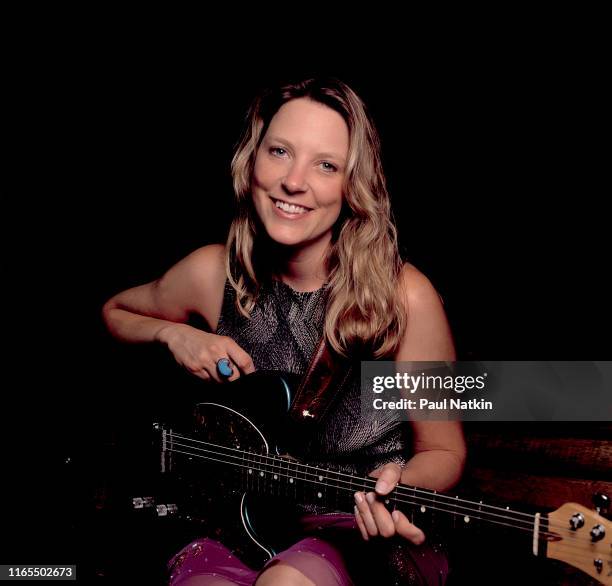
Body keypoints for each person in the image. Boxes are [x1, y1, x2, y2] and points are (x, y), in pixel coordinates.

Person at [102, 77, 466, 586]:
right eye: (279, 151)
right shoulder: (213, 273)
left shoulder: (405, 295)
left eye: (326, 165)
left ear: (352, 183)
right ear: (252, 159)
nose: (294, 182)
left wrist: (395, 485)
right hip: (239, 523)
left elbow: (445, 452)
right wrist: (174, 335)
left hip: (360, 531)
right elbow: (114, 312)